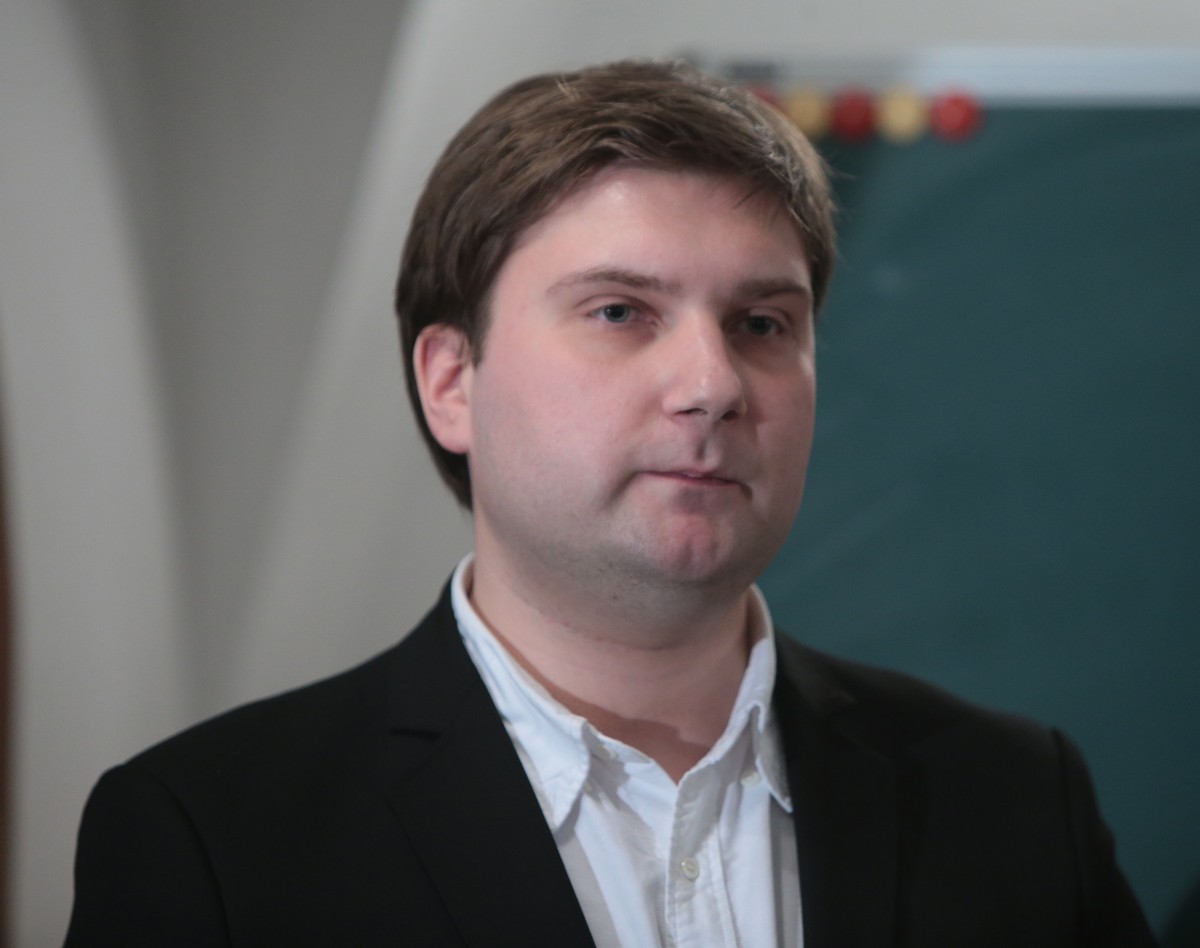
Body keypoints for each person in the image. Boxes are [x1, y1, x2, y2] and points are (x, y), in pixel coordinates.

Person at [66, 60, 1155, 947]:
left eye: (762, 325)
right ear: (451, 383)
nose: (713, 384)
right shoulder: (212, 840)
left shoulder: (1016, 802)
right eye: (621, 312)